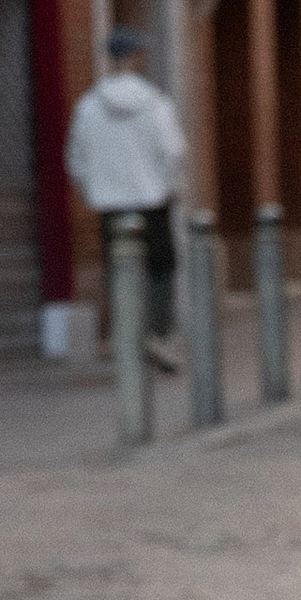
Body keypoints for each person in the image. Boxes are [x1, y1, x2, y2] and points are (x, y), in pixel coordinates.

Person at [64, 27, 186, 371]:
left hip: (110, 204)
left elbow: (76, 158)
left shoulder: (88, 106)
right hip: (152, 200)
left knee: (119, 267)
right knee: (161, 267)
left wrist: (94, 191)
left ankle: (126, 334)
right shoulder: (156, 102)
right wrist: (168, 187)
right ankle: (158, 333)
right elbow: (173, 151)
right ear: (135, 57)